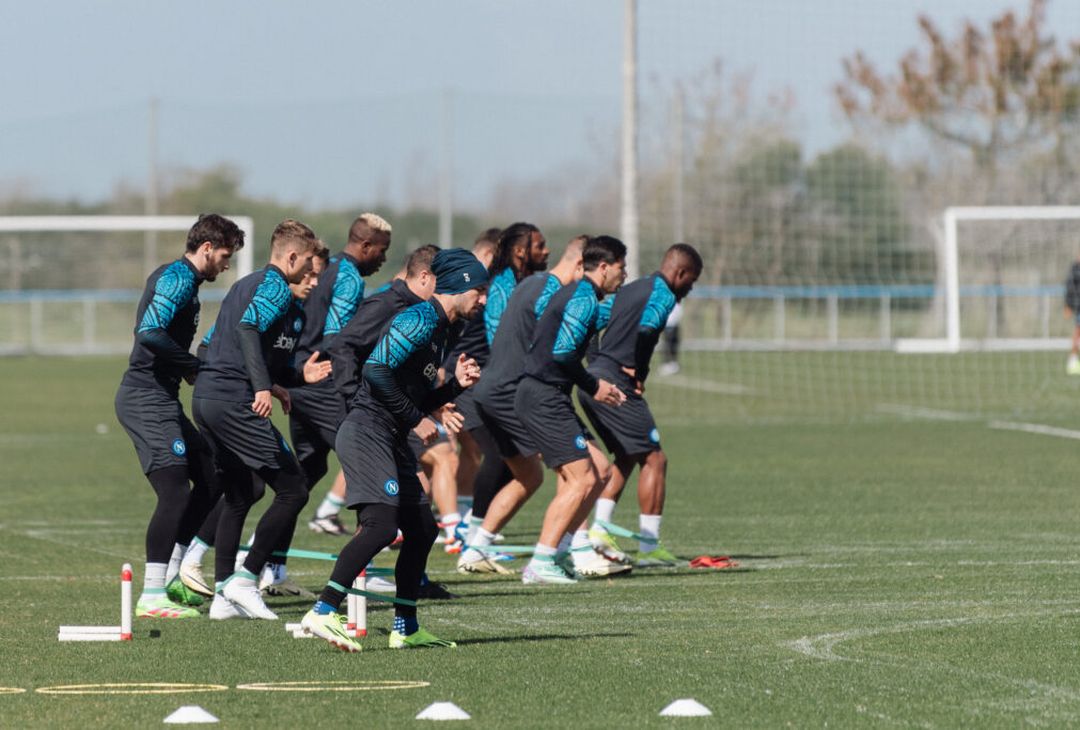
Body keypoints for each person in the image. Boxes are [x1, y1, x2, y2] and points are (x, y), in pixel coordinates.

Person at [301, 248, 488, 652]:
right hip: (367, 430)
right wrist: (418, 419)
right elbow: (375, 370)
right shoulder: (419, 317)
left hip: (389, 434)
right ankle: (322, 610)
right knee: (383, 528)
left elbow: (414, 392)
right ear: (462, 286)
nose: (485, 299)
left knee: (422, 529)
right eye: (482, 291)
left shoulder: (444, 329)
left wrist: (455, 386)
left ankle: (405, 626)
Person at [192, 219, 331, 621]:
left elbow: (251, 348)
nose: (310, 273)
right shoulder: (271, 284)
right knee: (294, 489)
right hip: (234, 400)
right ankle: (246, 577)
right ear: (291, 257)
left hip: (209, 400)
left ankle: (222, 598)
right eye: (307, 264)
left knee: (238, 493)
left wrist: (293, 378)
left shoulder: (263, 294)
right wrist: (260, 388)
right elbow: (248, 330)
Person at [114, 214, 244, 618]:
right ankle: (152, 595)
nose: (226, 265)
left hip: (161, 397)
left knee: (210, 474)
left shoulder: (186, 282)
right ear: (206, 248)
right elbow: (149, 333)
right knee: (175, 491)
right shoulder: (177, 278)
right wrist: (190, 364)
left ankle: (170, 579)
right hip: (144, 398)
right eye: (224, 256)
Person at [259, 214, 391, 595]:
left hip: (299, 381)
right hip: (325, 386)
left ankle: (272, 565)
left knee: (301, 479)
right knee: (369, 465)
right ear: (365, 246)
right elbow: (339, 339)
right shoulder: (347, 277)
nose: (382, 259)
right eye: (381, 251)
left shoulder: (321, 270)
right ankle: (364, 568)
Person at [458, 236, 594, 575]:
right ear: (582, 266)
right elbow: (553, 351)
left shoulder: (533, 282)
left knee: (529, 475)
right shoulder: (552, 293)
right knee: (584, 470)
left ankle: (476, 548)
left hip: (492, 388)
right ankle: (567, 551)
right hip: (511, 391)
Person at [580, 244, 703, 567]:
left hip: (596, 380)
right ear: (679, 273)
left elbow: (591, 321)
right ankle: (649, 547)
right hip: (617, 381)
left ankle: (600, 531)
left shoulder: (631, 289)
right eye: (691, 280)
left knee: (626, 455)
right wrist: (639, 371)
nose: (690, 288)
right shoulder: (662, 293)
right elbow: (648, 330)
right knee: (655, 459)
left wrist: (594, 364)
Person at [515, 235, 628, 585]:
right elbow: (563, 354)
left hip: (550, 395)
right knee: (582, 478)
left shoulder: (584, 297)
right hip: (543, 397)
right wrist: (595, 386)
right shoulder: (581, 298)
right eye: (621, 269)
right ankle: (541, 562)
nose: (623, 276)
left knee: (600, 469)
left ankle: (560, 551)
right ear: (605, 267)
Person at [1065, 257, 1080, 375]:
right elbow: (1070, 287)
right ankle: (1073, 359)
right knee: (1078, 331)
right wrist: (1068, 304)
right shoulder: (1075, 268)